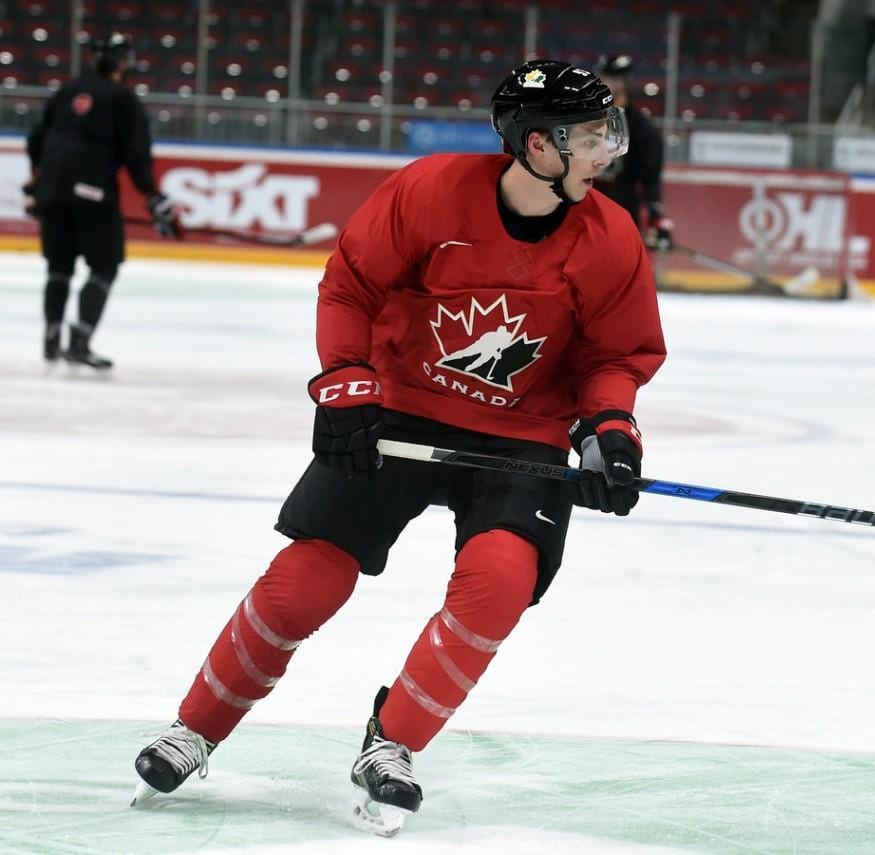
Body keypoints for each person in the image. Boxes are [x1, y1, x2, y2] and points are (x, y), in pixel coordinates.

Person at [130, 59, 666, 836]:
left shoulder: (609, 237)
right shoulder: (431, 192)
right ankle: (196, 728)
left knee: (499, 579)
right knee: (305, 581)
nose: (606, 152)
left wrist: (610, 432)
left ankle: (394, 743)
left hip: (522, 434)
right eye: (590, 137)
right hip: (403, 411)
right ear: (537, 145)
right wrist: (345, 383)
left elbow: (615, 356)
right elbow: (351, 286)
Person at [23, 32, 180, 370]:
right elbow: (137, 156)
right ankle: (79, 341)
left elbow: (36, 140)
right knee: (105, 265)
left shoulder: (67, 90)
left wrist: (37, 184)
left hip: (52, 190)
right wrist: (153, 197)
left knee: (59, 266)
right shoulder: (123, 99)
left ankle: (52, 335)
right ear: (123, 62)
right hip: (93, 192)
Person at [593, 54, 674, 251]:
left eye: (615, 78)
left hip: (619, 215)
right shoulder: (581, 121)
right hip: (582, 214)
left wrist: (655, 218)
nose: (608, 84)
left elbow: (650, 179)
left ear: (626, 83)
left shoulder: (641, 129)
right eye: (605, 77)